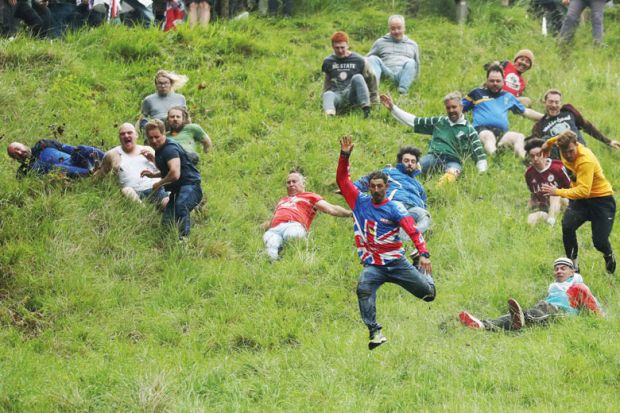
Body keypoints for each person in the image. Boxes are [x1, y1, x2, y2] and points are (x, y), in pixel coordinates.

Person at [337, 136, 436, 350]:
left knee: (428, 295)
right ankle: (375, 331)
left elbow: (412, 230)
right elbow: (343, 181)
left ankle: (423, 270)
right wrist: (344, 156)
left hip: (396, 262)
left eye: (379, 186)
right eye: (372, 186)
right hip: (374, 265)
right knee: (363, 287)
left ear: (386, 187)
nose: (375, 190)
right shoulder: (359, 202)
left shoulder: (395, 208)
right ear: (369, 187)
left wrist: (424, 254)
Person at [541, 130, 616, 274]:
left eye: (571, 151)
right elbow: (557, 138)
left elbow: (583, 191)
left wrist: (557, 192)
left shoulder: (585, 160)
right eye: (565, 152)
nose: (568, 155)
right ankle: (573, 267)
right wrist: (547, 145)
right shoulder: (562, 145)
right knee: (567, 226)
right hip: (581, 202)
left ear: (576, 144)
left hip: (601, 200)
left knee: (599, 241)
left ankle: (608, 255)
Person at [459, 257, 602, 331]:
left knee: (531, 314)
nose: (558, 271)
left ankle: (520, 319)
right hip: (546, 307)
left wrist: (601, 320)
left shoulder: (577, 286)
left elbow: (593, 304)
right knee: (523, 316)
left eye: (563, 268)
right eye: (556, 269)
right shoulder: (555, 287)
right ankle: (482, 325)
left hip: (562, 312)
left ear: (572, 272)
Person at [381, 92, 487, 185]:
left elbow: (480, 156)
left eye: (454, 107)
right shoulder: (439, 121)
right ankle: (390, 176)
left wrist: (482, 176)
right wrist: (393, 108)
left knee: (451, 175)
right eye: (448, 107)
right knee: (412, 166)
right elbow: (414, 121)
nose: (451, 110)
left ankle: (435, 193)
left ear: (461, 107)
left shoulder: (469, 130)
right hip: (433, 157)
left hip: (454, 162)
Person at [263, 170, 352, 261]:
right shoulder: (282, 200)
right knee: (269, 251)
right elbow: (273, 220)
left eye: (294, 181)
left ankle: (295, 260)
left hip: (293, 225)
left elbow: (331, 208)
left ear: (303, 184)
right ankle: (276, 265)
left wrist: (351, 213)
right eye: (288, 182)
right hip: (274, 230)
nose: (291, 184)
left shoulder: (310, 196)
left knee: (292, 236)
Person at [463, 64, 543, 158]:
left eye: (498, 81)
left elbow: (526, 112)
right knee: (488, 136)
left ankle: (524, 160)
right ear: (487, 81)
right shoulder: (477, 93)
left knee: (519, 137)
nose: (495, 83)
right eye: (492, 81)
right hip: (481, 131)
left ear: (503, 82)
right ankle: (495, 158)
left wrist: (546, 117)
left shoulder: (508, 96)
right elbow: (458, 108)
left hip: (502, 134)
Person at [354, 146, 431, 242]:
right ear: (400, 162)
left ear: (416, 165)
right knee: (403, 218)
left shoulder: (419, 185)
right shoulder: (390, 172)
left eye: (413, 161)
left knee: (425, 215)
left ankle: (408, 237)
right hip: (395, 205)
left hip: (413, 210)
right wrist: (351, 189)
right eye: (406, 161)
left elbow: (424, 204)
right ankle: (407, 239)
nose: (410, 164)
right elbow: (368, 180)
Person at [142, 119, 203, 239]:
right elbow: (168, 171)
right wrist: (153, 175)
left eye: (157, 137)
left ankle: (184, 240)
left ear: (164, 134)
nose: (154, 140)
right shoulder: (159, 150)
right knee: (166, 223)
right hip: (177, 190)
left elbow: (174, 174)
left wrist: (159, 183)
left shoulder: (169, 149)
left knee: (181, 205)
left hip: (191, 186)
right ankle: (168, 244)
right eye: (150, 138)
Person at [530, 89, 620, 159]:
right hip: (563, 160)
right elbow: (536, 147)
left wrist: (609, 141)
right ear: (544, 102)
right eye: (550, 101)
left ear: (560, 103)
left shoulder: (568, 112)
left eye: (556, 102)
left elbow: (587, 127)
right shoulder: (539, 126)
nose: (554, 105)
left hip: (582, 153)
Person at [97, 123, 168, 208]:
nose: (126, 136)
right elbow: (101, 174)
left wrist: (153, 160)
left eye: (129, 133)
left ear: (136, 135)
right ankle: (142, 210)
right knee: (126, 190)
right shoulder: (112, 154)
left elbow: (165, 171)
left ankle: (166, 207)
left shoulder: (148, 149)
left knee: (167, 203)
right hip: (134, 191)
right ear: (119, 138)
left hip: (155, 188)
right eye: (122, 134)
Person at [321, 31, 378, 118]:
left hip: (351, 93)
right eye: (337, 48)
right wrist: (325, 97)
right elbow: (327, 81)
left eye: (342, 47)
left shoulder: (359, 60)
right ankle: (330, 116)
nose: (340, 51)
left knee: (358, 77)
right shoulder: (328, 61)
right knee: (327, 94)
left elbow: (371, 78)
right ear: (332, 46)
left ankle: (366, 109)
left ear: (347, 45)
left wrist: (374, 100)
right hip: (337, 94)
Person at [367, 14, 420, 95]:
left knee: (411, 62)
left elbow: (417, 65)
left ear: (404, 28)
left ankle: (402, 91)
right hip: (386, 74)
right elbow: (367, 60)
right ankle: (374, 89)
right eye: (393, 28)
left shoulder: (413, 44)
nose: (396, 31)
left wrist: (415, 80)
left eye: (399, 28)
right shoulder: (380, 42)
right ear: (389, 29)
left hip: (403, 75)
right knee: (372, 58)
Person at [524, 138, 570, 226]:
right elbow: (534, 196)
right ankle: (548, 224)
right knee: (531, 218)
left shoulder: (558, 167)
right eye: (532, 156)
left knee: (554, 192)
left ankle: (551, 223)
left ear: (546, 154)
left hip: (566, 205)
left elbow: (571, 189)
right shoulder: (529, 173)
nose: (535, 159)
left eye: (538, 155)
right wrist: (527, 208)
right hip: (546, 209)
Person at [7, 139, 104, 178]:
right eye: (15, 154)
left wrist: (79, 152)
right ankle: (93, 173)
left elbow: (68, 148)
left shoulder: (42, 144)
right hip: (64, 172)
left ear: (23, 145)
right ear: (15, 159)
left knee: (82, 148)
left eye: (18, 149)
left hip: (73, 160)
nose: (19, 153)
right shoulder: (24, 170)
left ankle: (109, 160)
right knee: (55, 168)